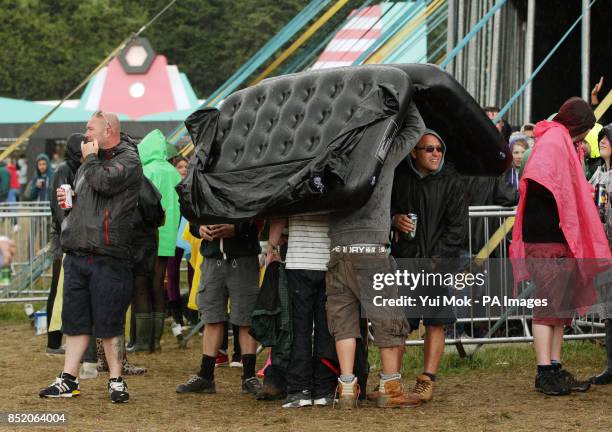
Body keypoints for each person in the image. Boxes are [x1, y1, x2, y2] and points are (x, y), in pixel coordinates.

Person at [39, 111, 142, 403]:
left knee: (109, 322)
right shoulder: (89, 162)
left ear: (107, 129)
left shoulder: (129, 159)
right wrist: (71, 201)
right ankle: (68, 379)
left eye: (89, 128)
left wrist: (91, 160)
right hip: (78, 251)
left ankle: (116, 380)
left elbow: (106, 183)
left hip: (109, 254)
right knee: (75, 320)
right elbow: (90, 194)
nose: (85, 134)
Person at [510, 97, 611, 396]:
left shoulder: (559, 140)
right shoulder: (555, 141)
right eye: (583, 131)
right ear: (576, 125)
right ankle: (544, 371)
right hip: (547, 237)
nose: (583, 138)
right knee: (548, 306)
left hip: (556, 237)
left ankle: (554, 366)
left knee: (560, 308)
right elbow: (547, 185)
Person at [326, 103, 424, 409]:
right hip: (372, 252)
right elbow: (415, 129)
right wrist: (408, 96)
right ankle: (389, 388)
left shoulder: (329, 160)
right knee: (388, 321)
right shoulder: (382, 157)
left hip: (339, 251)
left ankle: (346, 388)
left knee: (343, 323)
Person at [390, 129, 467, 402]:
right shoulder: (400, 178)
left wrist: (437, 261)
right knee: (400, 322)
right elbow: (385, 209)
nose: (436, 154)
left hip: (437, 265)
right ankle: (392, 381)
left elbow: (457, 229)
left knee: (436, 322)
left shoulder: (452, 181)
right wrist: (394, 219)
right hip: (406, 263)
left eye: (439, 149)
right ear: (414, 152)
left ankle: (427, 379)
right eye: (429, 149)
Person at [176, 219, 262, 396]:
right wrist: (198, 228)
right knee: (212, 318)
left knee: (245, 319)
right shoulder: (203, 189)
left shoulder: (248, 189)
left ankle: (249, 376)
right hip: (212, 258)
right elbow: (193, 212)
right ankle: (206, 376)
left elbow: (259, 215)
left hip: (244, 257)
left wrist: (237, 228)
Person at [267, 216, 338, 407]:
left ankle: (300, 390)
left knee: (300, 329)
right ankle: (325, 389)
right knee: (327, 329)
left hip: (299, 260)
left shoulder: (293, 184)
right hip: (330, 260)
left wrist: (271, 247)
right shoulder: (335, 185)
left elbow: (279, 213)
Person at [136, 130, 182, 352]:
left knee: (143, 285)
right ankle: (156, 341)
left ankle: (144, 342)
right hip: (169, 235)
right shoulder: (174, 172)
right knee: (158, 285)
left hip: (149, 235)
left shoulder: (145, 171)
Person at [46, 133, 85, 356]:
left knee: (67, 291)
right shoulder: (63, 170)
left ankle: (62, 339)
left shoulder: (79, 169)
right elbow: (61, 207)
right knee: (57, 289)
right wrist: (69, 234)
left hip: (73, 236)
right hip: (63, 238)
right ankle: (53, 342)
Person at [588, 124, 612, 385]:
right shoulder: (598, 175)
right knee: (609, 310)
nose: (603, 140)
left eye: (609, 138)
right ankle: (611, 367)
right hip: (604, 252)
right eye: (602, 137)